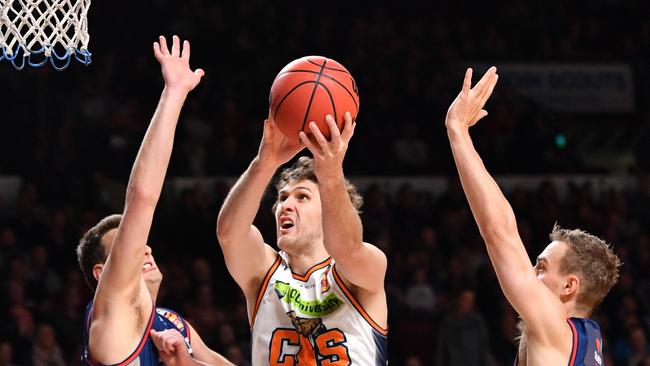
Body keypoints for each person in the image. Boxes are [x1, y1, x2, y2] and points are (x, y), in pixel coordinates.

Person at [444, 66, 621, 366]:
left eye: (541, 268)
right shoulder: (590, 340)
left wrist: (458, 131)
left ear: (569, 286)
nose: (530, 273)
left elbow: (499, 231)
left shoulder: (555, 326)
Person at [75, 35, 231, 366]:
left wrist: (187, 362)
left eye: (142, 242)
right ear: (103, 273)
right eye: (127, 246)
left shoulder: (173, 324)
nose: (143, 247)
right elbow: (142, 198)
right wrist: (173, 94)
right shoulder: (111, 316)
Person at [216, 112, 388, 364]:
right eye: (282, 198)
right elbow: (230, 235)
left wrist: (330, 175)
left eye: (302, 197)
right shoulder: (265, 272)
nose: (285, 205)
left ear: (328, 211)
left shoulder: (363, 269)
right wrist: (264, 164)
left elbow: (347, 249)